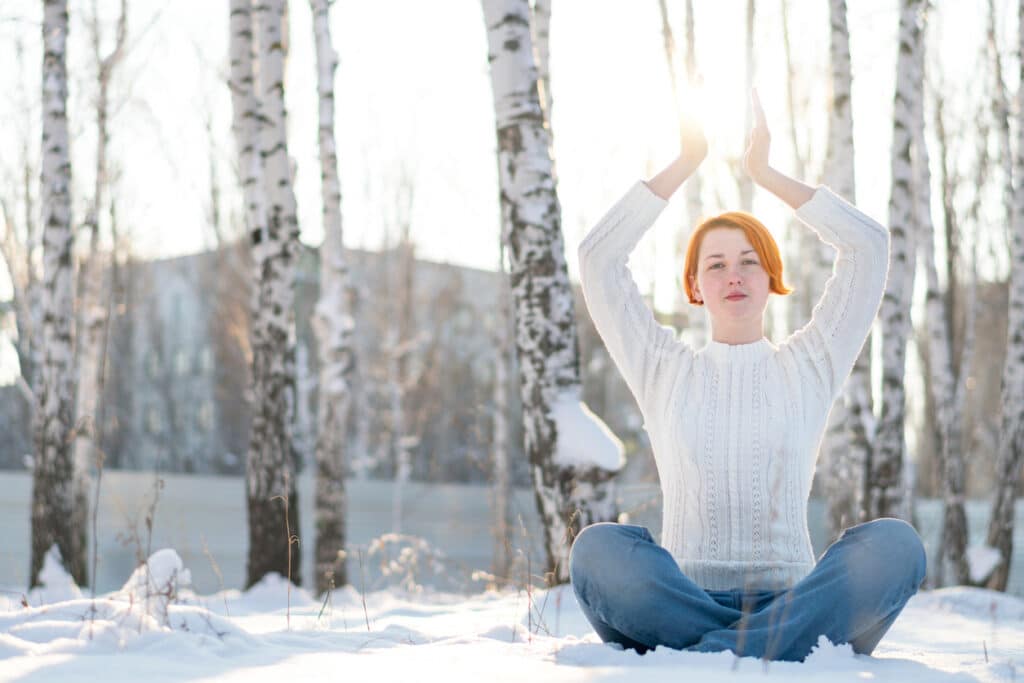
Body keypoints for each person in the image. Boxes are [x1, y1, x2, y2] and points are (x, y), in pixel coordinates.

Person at [569, 89, 926, 662]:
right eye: (715, 264)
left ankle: (710, 658)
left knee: (896, 545)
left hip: (799, 601)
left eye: (749, 260)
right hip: (682, 599)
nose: (733, 275)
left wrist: (765, 174)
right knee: (597, 551)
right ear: (695, 287)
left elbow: (868, 246)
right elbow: (598, 260)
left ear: (771, 277)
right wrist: (686, 161)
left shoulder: (809, 364)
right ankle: (764, 655)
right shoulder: (663, 368)